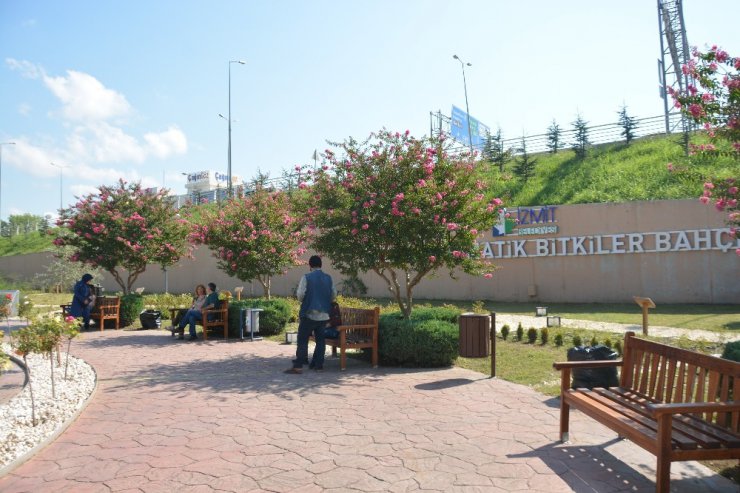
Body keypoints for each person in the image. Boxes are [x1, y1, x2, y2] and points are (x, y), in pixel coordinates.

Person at [286, 255, 336, 374]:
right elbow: (333, 295)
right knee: (320, 340)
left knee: (303, 339)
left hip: (309, 313)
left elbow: (300, 295)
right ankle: (319, 365)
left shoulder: (307, 277)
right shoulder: (328, 278)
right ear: (321, 265)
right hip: (324, 314)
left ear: (310, 265)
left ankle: (298, 365)